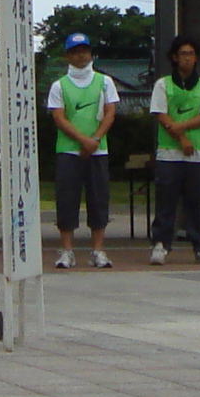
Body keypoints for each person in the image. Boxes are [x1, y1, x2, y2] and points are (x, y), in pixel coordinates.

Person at [45, 32, 117, 270]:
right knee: (67, 200)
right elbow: (59, 117)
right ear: (68, 55)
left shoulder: (104, 82)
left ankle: (98, 250)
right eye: (75, 51)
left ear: (91, 53)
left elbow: (110, 113)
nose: (80, 55)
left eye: (84, 50)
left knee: (98, 200)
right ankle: (67, 251)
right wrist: (82, 141)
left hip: (98, 151)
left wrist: (94, 139)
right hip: (68, 151)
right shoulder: (59, 85)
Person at [148, 36, 200, 267]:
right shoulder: (163, 84)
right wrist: (179, 136)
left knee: (195, 201)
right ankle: (160, 244)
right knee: (166, 199)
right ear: (174, 57)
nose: (187, 58)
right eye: (183, 54)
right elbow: (160, 113)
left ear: (196, 57)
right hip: (169, 152)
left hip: (197, 153)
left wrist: (183, 128)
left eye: (191, 54)